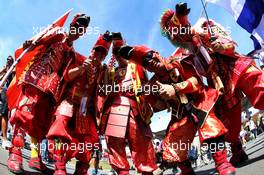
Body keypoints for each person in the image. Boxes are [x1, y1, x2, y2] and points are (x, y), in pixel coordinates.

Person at [159, 1, 264, 167]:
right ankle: (236, 150)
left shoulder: (204, 26)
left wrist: (221, 46)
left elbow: (229, 44)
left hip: (234, 65)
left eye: (181, 31)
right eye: (175, 35)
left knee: (260, 87)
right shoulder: (182, 54)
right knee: (229, 121)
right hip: (218, 84)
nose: (180, 36)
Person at [119, 43, 236, 175]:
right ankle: (186, 171)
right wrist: (148, 96)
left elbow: (196, 82)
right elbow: (161, 106)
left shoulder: (178, 60)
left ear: (157, 53)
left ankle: (222, 163)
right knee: (171, 141)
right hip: (180, 114)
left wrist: (174, 88)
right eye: (146, 62)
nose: (151, 61)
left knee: (209, 125)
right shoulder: (152, 84)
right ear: (148, 69)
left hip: (200, 101)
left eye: (150, 56)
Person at [7, 13, 90, 174]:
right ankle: (15, 153)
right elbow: (38, 43)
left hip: (52, 89)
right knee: (25, 114)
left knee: (41, 124)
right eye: (77, 25)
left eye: (82, 28)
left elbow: (67, 75)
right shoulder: (57, 35)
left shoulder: (73, 53)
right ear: (71, 24)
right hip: (37, 78)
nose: (78, 29)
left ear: (83, 33)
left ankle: (35, 157)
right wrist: (30, 42)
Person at [46, 31, 112, 175]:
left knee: (91, 138)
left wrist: (106, 74)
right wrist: (81, 68)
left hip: (85, 110)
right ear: (92, 50)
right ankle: (59, 165)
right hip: (69, 102)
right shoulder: (79, 58)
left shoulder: (102, 70)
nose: (99, 55)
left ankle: (82, 168)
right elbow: (67, 77)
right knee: (60, 124)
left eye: (103, 54)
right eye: (97, 51)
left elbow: (104, 91)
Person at [99, 33, 157, 175]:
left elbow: (149, 84)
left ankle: (147, 171)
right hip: (114, 110)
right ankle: (122, 172)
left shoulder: (138, 66)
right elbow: (102, 91)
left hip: (135, 109)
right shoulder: (110, 71)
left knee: (141, 143)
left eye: (121, 51)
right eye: (116, 52)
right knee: (114, 143)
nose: (119, 55)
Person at [0, 55, 15, 149]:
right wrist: (4, 69)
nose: (8, 61)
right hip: (2, 90)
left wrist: (11, 68)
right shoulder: (5, 69)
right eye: (7, 59)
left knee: (4, 114)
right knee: (2, 114)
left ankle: (4, 138)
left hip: (7, 91)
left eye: (10, 60)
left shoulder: (14, 69)